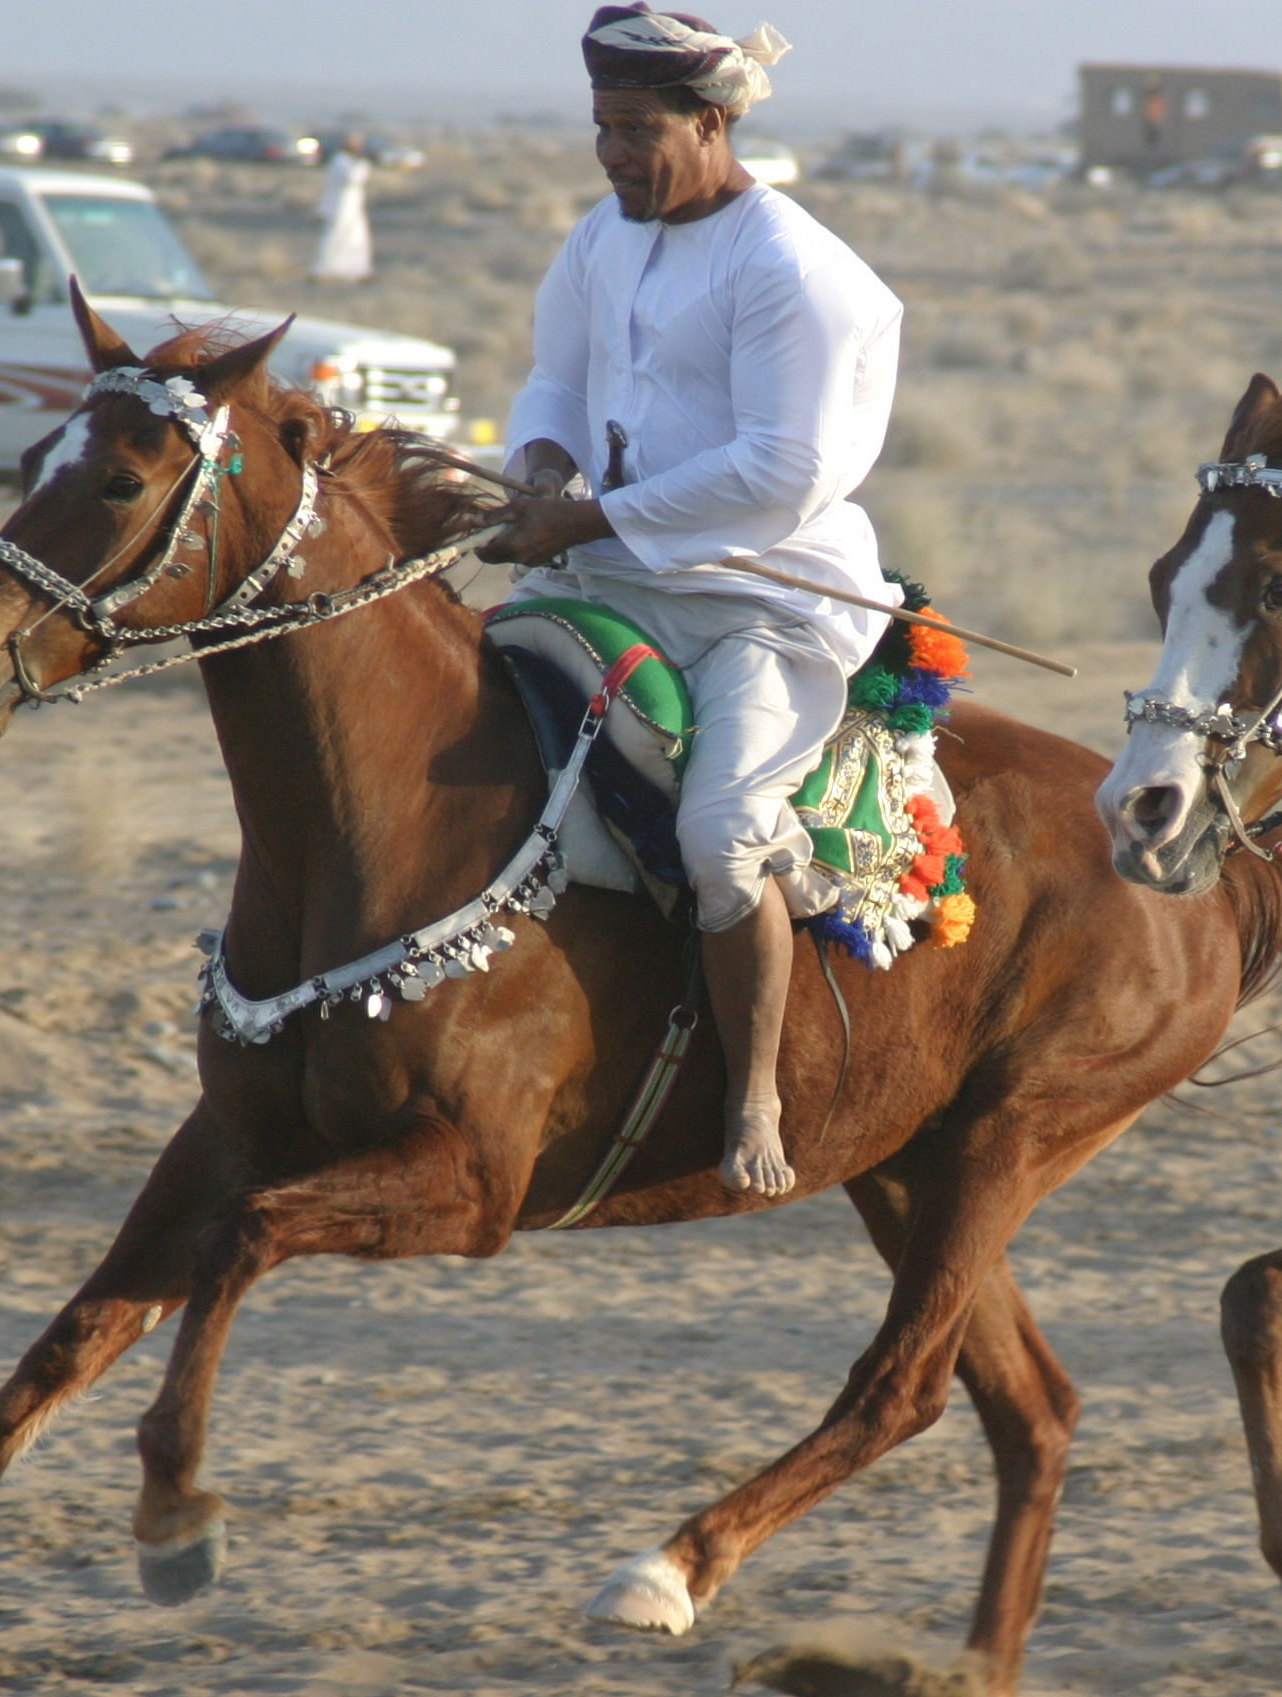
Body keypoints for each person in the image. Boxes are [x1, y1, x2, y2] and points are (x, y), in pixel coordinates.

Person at [475, 4, 901, 1199]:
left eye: (636, 130)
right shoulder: (600, 238)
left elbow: (783, 468)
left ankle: (753, 1091)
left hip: (762, 602)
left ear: (711, 122)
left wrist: (584, 519)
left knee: (721, 836)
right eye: (601, 127)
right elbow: (554, 379)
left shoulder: (793, 268)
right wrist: (541, 469)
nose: (611, 154)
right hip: (612, 574)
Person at [312, 133, 372, 282]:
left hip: (353, 206)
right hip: (340, 206)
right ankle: (323, 269)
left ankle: (356, 270)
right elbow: (352, 178)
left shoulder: (349, 161)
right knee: (336, 235)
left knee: (355, 237)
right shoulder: (340, 160)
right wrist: (363, 166)